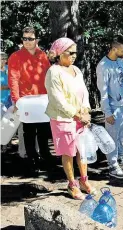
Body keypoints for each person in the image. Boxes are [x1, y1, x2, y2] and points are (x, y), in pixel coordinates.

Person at [45, 37, 97, 200]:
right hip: (63, 119)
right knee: (68, 152)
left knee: (82, 150)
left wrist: (87, 111)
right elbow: (57, 99)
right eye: (70, 52)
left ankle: (84, 181)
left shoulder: (76, 70)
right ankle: (72, 184)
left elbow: (85, 92)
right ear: (59, 53)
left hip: (80, 118)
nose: (74, 55)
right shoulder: (53, 71)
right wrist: (77, 114)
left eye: (75, 52)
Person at [8, 27, 52, 174]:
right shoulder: (15, 56)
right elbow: (13, 79)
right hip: (26, 100)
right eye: (25, 38)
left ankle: (45, 157)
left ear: (36, 40)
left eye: (30, 38)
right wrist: (16, 100)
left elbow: (49, 76)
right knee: (29, 132)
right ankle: (31, 160)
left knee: (44, 130)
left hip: (43, 99)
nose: (27, 41)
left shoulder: (43, 55)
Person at [96, 36, 123, 179]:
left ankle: (121, 156)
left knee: (121, 135)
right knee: (111, 138)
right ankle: (112, 165)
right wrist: (107, 112)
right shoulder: (103, 66)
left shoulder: (119, 62)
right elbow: (104, 92)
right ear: (114, 49)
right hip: (113, 108)